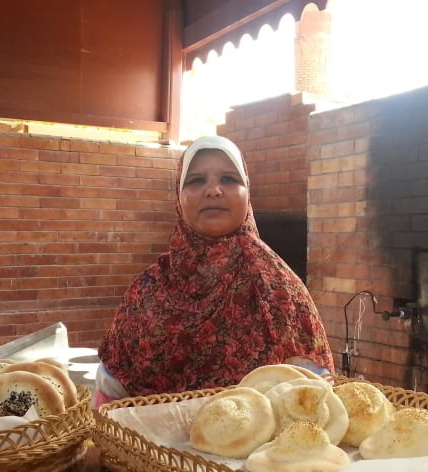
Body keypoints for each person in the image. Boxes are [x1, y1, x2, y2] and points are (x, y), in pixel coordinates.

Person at [95, 135, 334, 406]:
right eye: (196, 180)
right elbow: (109, 395)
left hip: (257, 447)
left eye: (229, 179)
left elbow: (316, 396)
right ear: (179, 196)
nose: (214, 190)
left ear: (247, 193)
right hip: (147, 446)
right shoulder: (147, 290)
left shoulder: (280, 289)